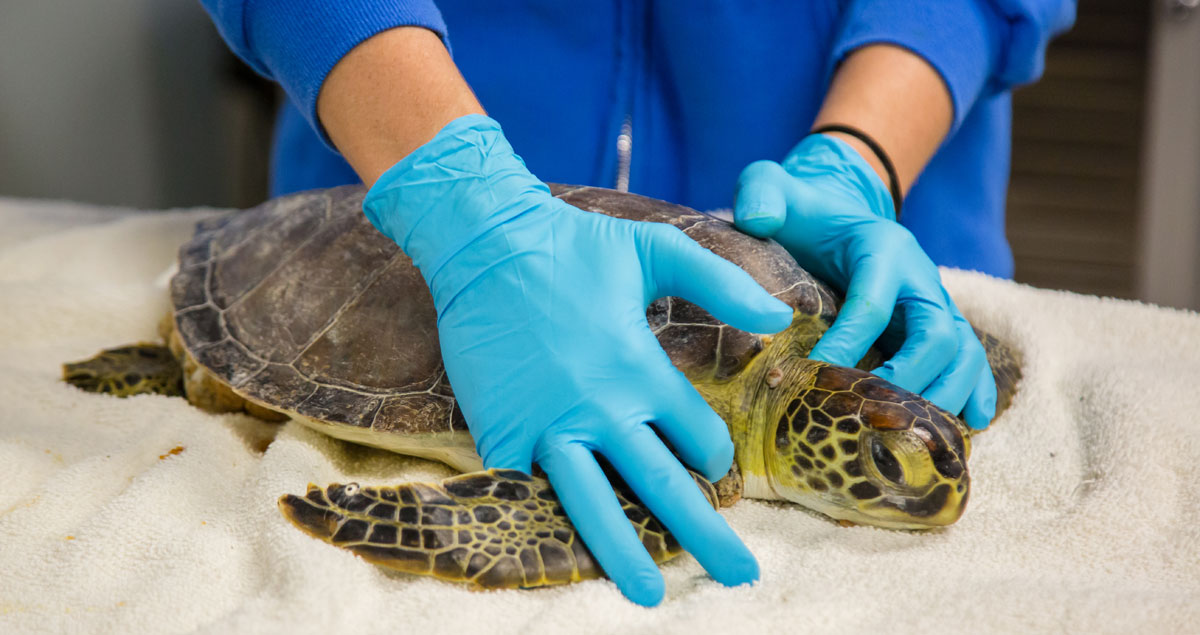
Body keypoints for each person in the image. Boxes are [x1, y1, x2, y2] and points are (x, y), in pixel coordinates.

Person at [200, 1, 1075, 606]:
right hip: (393, 158)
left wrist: (856, 160)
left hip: (865, 157)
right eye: (887, 466)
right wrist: (461, 203)